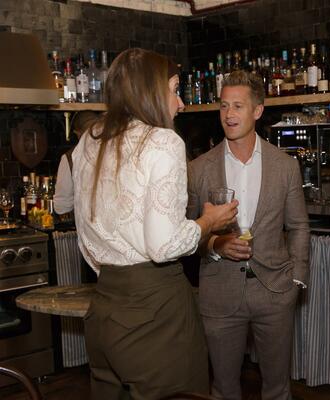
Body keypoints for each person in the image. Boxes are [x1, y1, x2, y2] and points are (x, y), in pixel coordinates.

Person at [72, 48, 238, 400]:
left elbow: (85, 237)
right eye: (175, 89)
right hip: (155, 311)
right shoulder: (162, 142)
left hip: (103, 308)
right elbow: (163, 247)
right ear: (149, 91)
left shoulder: (89, 139)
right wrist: (208, 221)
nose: (180, 103)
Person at [187, 70, 310, 400]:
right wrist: (215, 244)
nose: (228, 114)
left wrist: (296, 280)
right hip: (219, 291)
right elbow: (185, 232)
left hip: (275, 291)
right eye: (224, 105)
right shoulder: (198, 169)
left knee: (277, 389)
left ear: (257, 110)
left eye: (238, 106)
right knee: (224, 389)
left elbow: (298, 225)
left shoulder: (284, 165)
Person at [54, 111, 99, 215]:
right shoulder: (117, 151)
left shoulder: (70, 158)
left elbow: (61, 207)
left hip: (86, 227)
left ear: (77, 133)